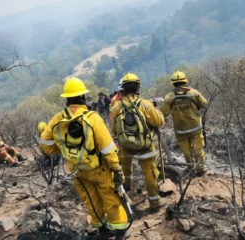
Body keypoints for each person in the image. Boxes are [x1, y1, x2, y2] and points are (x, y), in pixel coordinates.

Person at [39, 78, 129, 239]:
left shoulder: (57, 119)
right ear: (83, 96)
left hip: (77, 170)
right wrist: (116, 168)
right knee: (111, 199)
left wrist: (62, 149)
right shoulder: (92, 117)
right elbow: (107, 147)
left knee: (91, 201)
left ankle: (102, 230)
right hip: (99, 169)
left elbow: (44, 143)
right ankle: (120, 232)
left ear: (66, 98)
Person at [111, 72, 166, 209]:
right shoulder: (145, 105)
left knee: (125, 166)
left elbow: (115, 129)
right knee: (150, 173)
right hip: (145, 147)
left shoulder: (117, 107)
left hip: (125, 147)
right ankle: (154, 201)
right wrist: (157, 110)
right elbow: (159, 122)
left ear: (123, 89)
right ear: (138, 88)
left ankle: (127, 185)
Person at [160, 71, 208, 177]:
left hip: (180, 130)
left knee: (186, 150)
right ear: (185, 81)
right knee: (198, 147)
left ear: (173, 83)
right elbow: (204, 104)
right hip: (195, 127)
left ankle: (190, 168)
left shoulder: (169, 97)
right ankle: (200, 168)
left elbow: (163, 113)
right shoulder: (194, 93)